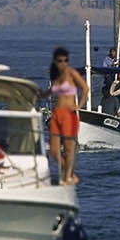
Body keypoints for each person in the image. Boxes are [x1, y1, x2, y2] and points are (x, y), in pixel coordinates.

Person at [41, 47, 87, 185]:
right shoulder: (56, 77)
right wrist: (39, 93)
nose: (63, 63)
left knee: (68, 148)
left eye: (66, 60)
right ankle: (68, 172)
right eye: (60, 60)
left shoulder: (71, 73)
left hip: (69, 114)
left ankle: (68, 177)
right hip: (56, 114)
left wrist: (79, 106)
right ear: (55, 61)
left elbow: (85, 88)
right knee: (54, 151)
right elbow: (49, 93)